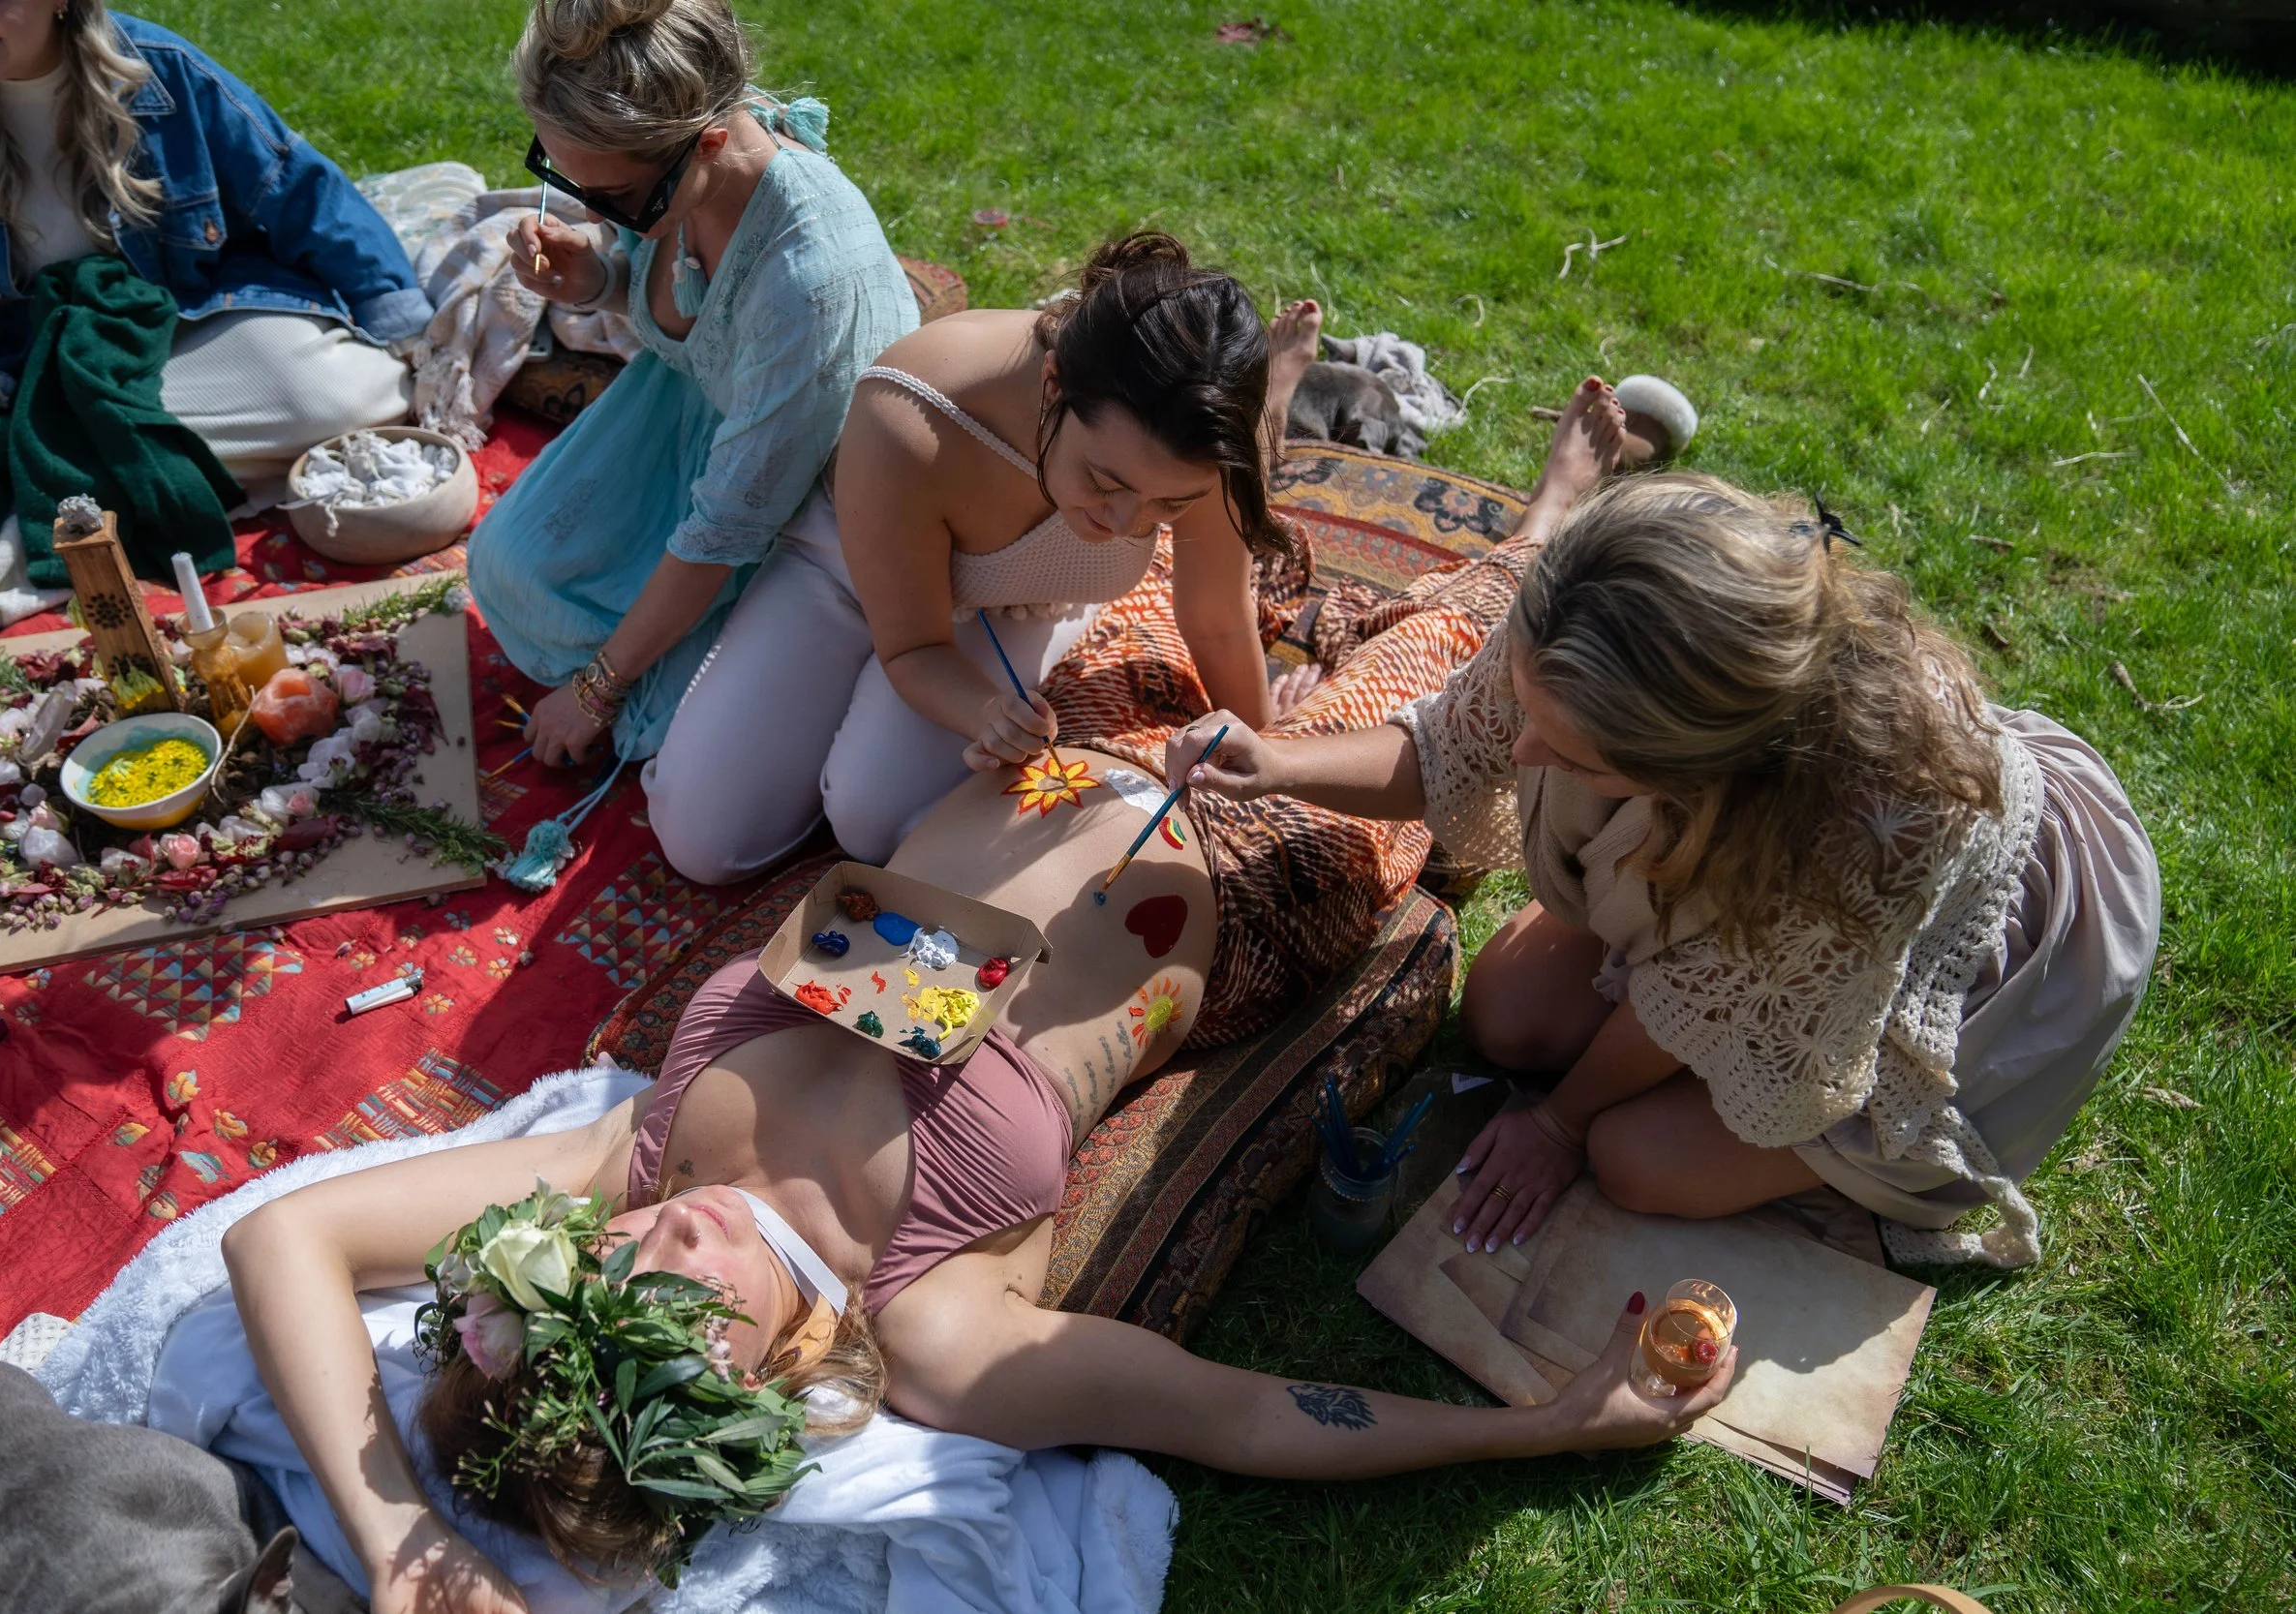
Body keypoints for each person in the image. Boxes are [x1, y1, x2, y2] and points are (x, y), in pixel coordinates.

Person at [222, 738, 1737, 1613]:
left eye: (612, 1278)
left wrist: (401, 1534)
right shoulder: (933, 1322)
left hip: (1038, 745)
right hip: (1250, 857)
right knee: (1506, 719)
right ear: (765, 1379)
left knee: (1192, 498)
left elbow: (285, 1233)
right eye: (686, 1314)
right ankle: (1548, 531)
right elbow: (1238, 1414)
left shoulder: (627, 1161)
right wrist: (1538, 1426)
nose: (662, 1246)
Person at [1163, 472, 2161, 1269]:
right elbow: (1447, 748)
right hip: (1742, 881)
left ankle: (1836, 1150)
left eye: (1580, 756)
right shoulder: (1585, 610)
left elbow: (1699, 1000)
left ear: (1700, 767)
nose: (1522, 760)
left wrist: (1559, 1122)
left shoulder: (1857, 833)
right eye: (1534, 716)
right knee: (1506, 1010)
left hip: (1984, 973)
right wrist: (1275, 762)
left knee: (1633, 1159)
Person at [647, 229, 1324, 880]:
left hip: (1021, 597)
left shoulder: (1200, 443)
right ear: (1054, 385)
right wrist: (982, 711)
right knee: (702, 838)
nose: (1124, 524)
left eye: (1168, 508)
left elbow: (1214, 617)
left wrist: (1267, 754)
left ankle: (1276, 397)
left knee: (872, 820)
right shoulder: (912, 413)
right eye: (1104, 483)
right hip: (844, 572)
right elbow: (913, 647)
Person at [471, 0, 916, 771]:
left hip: (804, 513)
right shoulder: (683, 175)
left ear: (709, 139)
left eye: (611, 198)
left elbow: (729, 525)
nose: (590, 208)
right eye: (562, 178)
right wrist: (596, 276)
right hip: (685, 420)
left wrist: (596, 689)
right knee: (505, 570)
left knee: (661, 733)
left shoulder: (809, 281)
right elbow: (682, 300)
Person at [0, 0, 426, 488]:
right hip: (20, 347)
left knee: (336, 399)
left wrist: (404, 325)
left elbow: (298, 191)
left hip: (182, 319)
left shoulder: (161, 72)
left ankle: (49, 455)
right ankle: (82, 448)